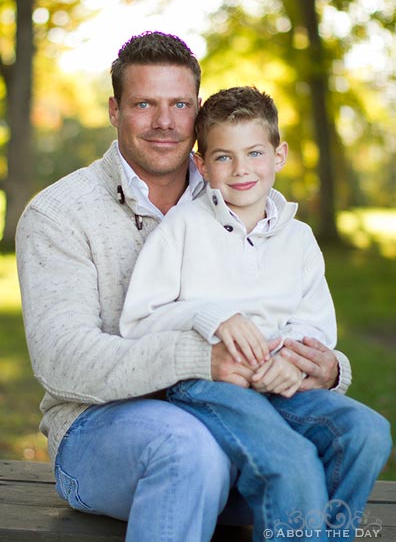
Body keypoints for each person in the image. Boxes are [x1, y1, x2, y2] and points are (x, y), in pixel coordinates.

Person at [14, 31, 368, 542]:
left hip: (242, 415)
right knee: (187, 447)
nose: (164, 121)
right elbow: (63, 361)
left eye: (179, 103)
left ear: (197, 109)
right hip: (102, 429)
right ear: (115, 110)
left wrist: (328, 366)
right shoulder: (59, 214)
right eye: (144, 104)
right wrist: (201, 359)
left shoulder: (235, 188)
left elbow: (291, 307)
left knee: (350, 438)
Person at [119, 86, 392, 541]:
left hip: (281, 384)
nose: (242, 170)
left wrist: (289, 359)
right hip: (209, 385)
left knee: (367, 430)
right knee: (291, 461)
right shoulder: (183, 228)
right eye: (224, 157)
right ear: (202, 165)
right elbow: (139, 320)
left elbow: (316, 322)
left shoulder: (299, 238)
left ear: (279, 154)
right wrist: (211, 317)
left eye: (255, 153)